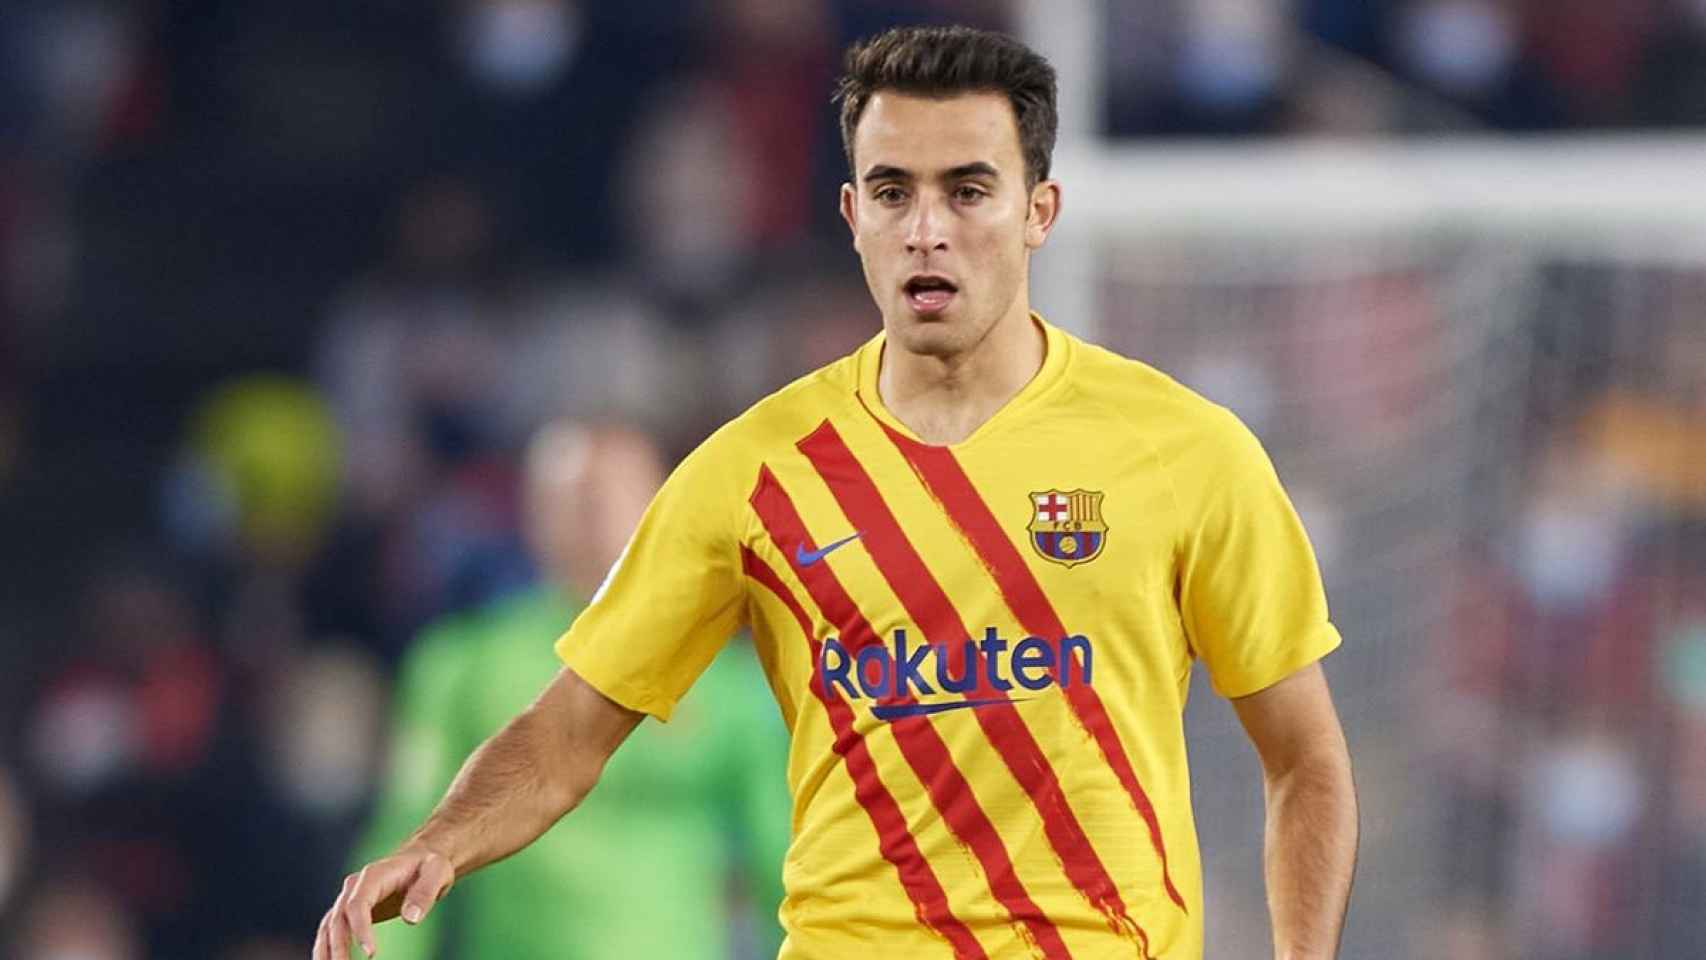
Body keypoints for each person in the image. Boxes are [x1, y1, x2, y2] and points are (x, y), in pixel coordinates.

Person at [315, 24, 1358, 960]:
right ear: (853, 214)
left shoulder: (1182, 450)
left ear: (1038, 210)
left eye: (967, 189)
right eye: (894, 191)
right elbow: (569, 731)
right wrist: (440, 842)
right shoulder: (750, 470)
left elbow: (1303, 759)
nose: (926, 229)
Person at [349, 421, 790, 960]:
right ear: (534, 514)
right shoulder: (464, 666)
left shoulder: (729, 681)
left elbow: (785, 866)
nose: (595, 519)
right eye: (572, 499)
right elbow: (405, 843)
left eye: (614, 495)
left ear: (661, 506)